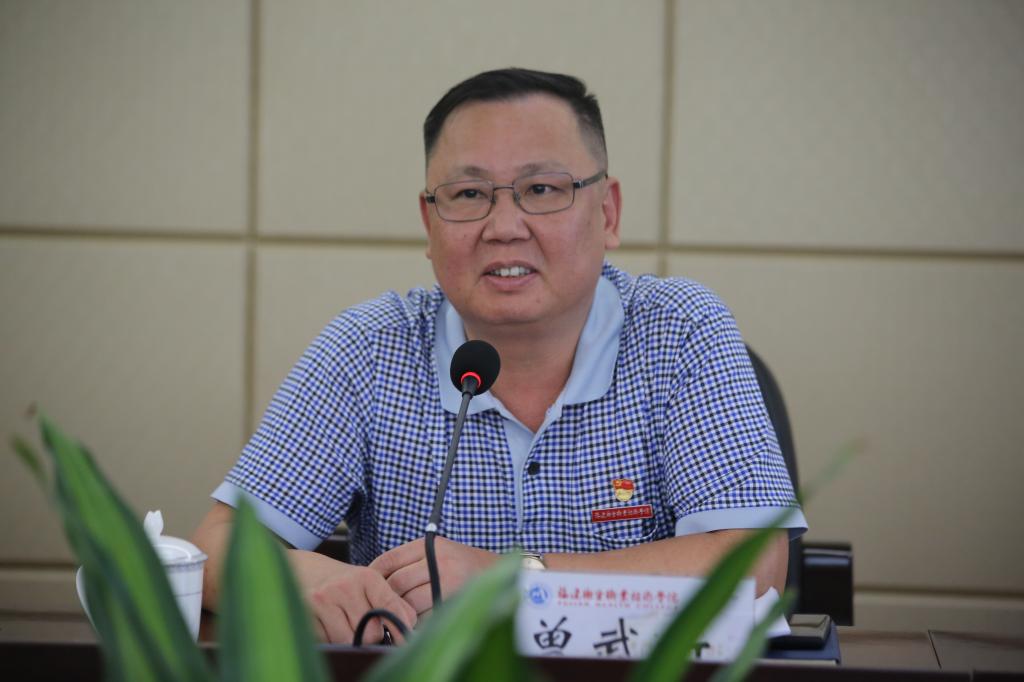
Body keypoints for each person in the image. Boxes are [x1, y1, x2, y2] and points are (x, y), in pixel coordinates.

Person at [192, 67, 806, 645]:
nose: (504, 226)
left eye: (541, 189)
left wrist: (513, 582)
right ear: (430, 223)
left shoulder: (679, 331)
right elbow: (217, 548)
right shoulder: (370, 348)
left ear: (608, 212)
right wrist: (305, 579)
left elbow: (754, 566)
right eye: (468, 194)